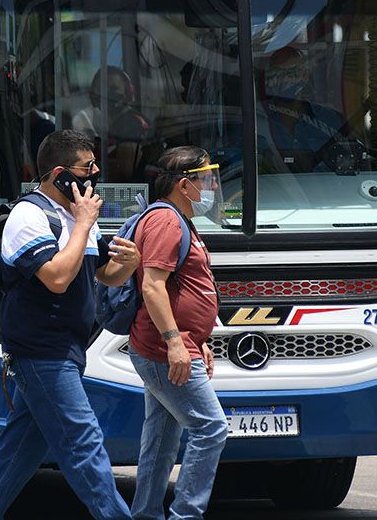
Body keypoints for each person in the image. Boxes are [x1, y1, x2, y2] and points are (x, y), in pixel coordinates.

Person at [0, 130, 142, 520]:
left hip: (67, 349)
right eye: (88, 167)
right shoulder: (29, 216)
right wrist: (82, 224)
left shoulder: (79, 216)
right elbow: (57, 278)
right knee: (84, 445)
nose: (96, 173)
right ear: (61, 174)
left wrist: (126, 265)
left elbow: (100, 274)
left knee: (17, 454)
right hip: (40, 352)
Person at [128, 147, 226, 520]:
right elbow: (153, 286)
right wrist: (175, 343)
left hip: (175, 346)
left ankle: (146, 515)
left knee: (161, 439)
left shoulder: (180, 221)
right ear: (185, 184)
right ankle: (186, 515)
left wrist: (198, 341)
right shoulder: (167, 222)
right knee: (211, 429)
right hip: (162, 348)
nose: (213, 186)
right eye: (207, 178)